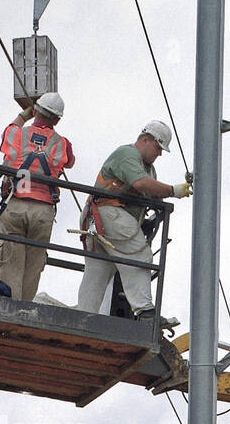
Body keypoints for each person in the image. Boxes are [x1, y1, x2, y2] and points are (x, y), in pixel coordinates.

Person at [77, 120, 191, 320]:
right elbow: (141, 184)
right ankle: (145, 311)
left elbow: (151, 193)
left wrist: (157, 208)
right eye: (158, 147)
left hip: (102, 221)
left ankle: (83, 318)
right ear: (145, 139)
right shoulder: (127, 154)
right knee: (139, 254)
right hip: (108, 213)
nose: (160, 153)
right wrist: (173, 191)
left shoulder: (148, 169)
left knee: (100, 271)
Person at [0, 92, 74, 302]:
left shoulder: (19, 134)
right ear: (57, 119)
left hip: (16, 203)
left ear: (36, 110)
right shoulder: (62, 143)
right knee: (33, 265)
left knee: (9, 260)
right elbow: (70, 161)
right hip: (43, 211)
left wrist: (25, 114)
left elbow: (7, 133)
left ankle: (7, 308)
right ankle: (24, 309)